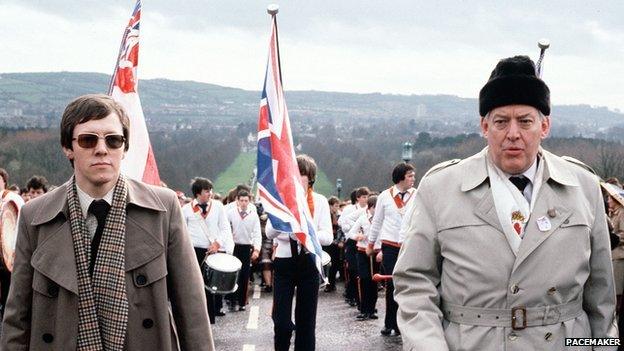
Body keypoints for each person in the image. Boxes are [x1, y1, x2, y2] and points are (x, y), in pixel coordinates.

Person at [394, 56, 618, 350]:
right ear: (484, 126)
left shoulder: (583, 187)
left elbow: (601, 296)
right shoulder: (440, 189)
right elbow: (415, 283)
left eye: (525, 121)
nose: (513, 133)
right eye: (501, 121)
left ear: (545, 125)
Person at [1, 94, 214, 350]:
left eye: (113, 140)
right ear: (68, 147)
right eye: (88, 140)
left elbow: (192, 311)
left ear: (123, 148)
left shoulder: (163, 208)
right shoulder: (34, 216)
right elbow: (17, 318)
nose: (101, 149)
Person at [266, 154, 333, 351]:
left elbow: (327, 236)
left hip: (309, 262)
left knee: (306, 322)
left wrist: (306, 235)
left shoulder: (319, 201)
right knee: (282, 322)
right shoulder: (281, 199)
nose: (296, 178)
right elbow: (270, 232)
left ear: (310, 178)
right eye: (293, 173)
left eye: (301, 174)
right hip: (285, 262)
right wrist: (286, 221)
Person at [366, 163, 416, 336]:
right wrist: (371, 244)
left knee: (408, 284)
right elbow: (377, 221)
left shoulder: (417, 196)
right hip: (390, 246)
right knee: (393, 283)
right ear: (401, 177)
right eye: (410, 176)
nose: (413, 179)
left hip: (410, 244)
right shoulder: (385, 197)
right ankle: (390, 323)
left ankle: (406, 322)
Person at [182, 177, 233, 324]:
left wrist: (218, 243)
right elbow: (182, 232)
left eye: (210, 190)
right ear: (198, 193)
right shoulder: (186, 210)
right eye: (206, 191)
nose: (210, 193)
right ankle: (194, 318)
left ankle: (209, 319)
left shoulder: (218, 206)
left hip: (212, 251)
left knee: (210, 286)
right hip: (193, 251)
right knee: (194, 286)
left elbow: (225, 228)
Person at [226, 189, 261, 311]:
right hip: (234, 246)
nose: (244, 203)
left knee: (244, 275)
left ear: (249, 201)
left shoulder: (253, 214)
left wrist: (256, 249)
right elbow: (225, 230)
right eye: (241, 200)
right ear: (237, 200)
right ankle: (231, 300)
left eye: (246, 200)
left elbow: (257, 233)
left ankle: (241, 301)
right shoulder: (230, 213)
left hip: (246, 247)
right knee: (233, 274)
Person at [348, 195, 380, 321]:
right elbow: (351, 233)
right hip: (362, 252)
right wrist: (357, 237)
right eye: (376, 208)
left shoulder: (380, 219)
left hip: (375, 252)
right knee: (364, 278)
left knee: (374, 281)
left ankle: (371, 309)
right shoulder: (362, 218)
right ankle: (363, 309)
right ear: (371, 207)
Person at [0, 168, 25, 315]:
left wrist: (15, 248)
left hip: (10, 252)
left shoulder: (14, 199)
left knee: (9, 287)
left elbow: (19, 223)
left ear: (5, 182)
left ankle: (7, 314)